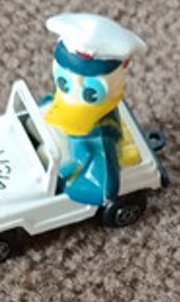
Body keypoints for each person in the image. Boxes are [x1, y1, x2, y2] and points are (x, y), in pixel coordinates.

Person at [42, 12, 145, 205]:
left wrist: (62, 178)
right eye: (64, 82)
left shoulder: (99, 134)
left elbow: (106, 188)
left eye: (90, 92)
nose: (74, 93)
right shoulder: (58, 102)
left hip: (85, 137)